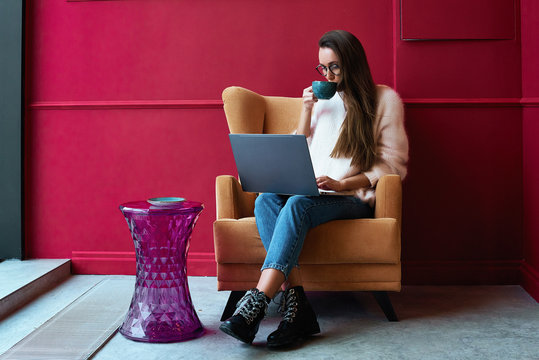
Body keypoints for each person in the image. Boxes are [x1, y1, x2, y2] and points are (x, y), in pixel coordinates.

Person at [219, 29, 409, 348]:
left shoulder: (384, 99)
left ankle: (257, 302)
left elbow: (392, 163)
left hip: (352, 196)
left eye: (334, 66)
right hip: (313, 191)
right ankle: (298, 306)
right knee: (266, 199)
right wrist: (306, 110)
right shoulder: (323, 101)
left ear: (353, 63)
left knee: (296, 205)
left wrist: (343, 183)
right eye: (322, 68)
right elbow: (299, 148)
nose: (328, 75)